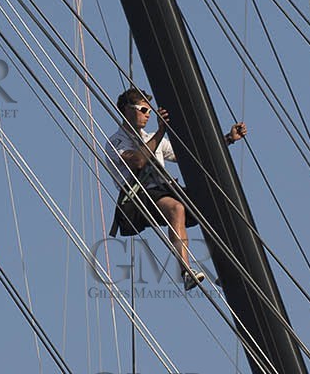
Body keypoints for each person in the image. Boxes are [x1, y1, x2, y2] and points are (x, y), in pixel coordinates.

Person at [105, 87, 247, 291]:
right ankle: (186, 271)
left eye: (149, 111)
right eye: (143, 110)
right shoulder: (115, 142)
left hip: (165, 190)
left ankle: (224, 268)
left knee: (213, 201)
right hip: (139, 197)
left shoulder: (152, 139)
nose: (147, 115)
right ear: (126, 110)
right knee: (176, 209)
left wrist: (228, 139)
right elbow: (138, 161)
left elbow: (191, 156)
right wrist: (161, 131)